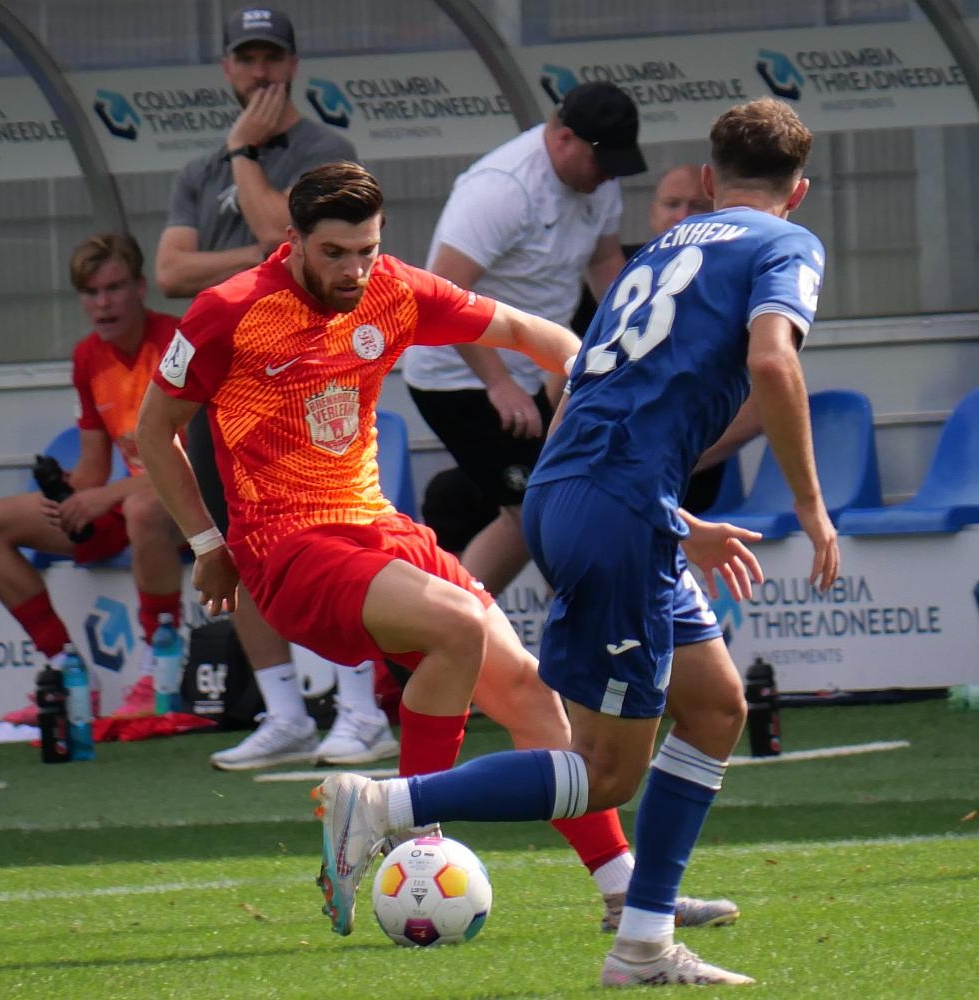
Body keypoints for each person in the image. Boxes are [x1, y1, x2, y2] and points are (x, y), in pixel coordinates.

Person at [138, 160, 736, 939]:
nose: (355, 270)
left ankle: (623, 892)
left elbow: (533, 335)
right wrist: (208, 541)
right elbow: (155, 430)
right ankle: (409, 842)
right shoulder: (229, 311)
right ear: (291, 242)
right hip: (287, 546)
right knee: (458, 625)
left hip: (379, 527)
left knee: (527, 691)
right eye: (334, 254)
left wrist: (592, 391)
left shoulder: (394, 289)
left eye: (366, 249)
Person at [316, 99, 839, 987]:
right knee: (602, 775)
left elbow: (588, 393)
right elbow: (771, 362)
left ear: (708, 182)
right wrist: (813, 510)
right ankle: (389, 803)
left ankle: (642, 944)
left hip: (596, 495)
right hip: (620, 507)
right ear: (800, 189)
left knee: (714, 708)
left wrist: (674, 519)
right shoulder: (784, 243)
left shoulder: (663, 249)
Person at [156, 6, 393, 770]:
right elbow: (169, 272)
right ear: (228, 69)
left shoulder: (325, 149)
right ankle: (285, 710)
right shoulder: (202, 166)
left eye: (271, 59)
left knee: (329, 536)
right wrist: (237, 173)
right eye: (245, 60)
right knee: (240, 542)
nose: (258, 73)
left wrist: (247, 161)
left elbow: (276, 240)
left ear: (291, 66)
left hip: (305, 369)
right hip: (226, 376)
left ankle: (361, 711)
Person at [402, 80, 645, 599]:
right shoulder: (501, 190)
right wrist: (499, 384)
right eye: (602, 163)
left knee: (542, 508)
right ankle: (459, 631)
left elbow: (604, 263)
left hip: (531, 368)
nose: (608, 177)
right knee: (539, 509)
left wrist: (635, 338)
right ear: (563, 140)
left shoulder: (598, 181)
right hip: (459, 376)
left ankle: (460, 629)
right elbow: (441, 295)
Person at [0, 233, 183, 715]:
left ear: (141, 288)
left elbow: (192, 465)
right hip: (130, 501)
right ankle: (67, 672)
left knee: (143, 507)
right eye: (91, 292)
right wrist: (69, 492)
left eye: (114, 288)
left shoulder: (176, 342)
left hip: (194, 504)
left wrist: (106, 497)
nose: (102, 304)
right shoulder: (88, 356)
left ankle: (162, 666)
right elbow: (94, 468)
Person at [572, 164, 760, 515]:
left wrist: (669, 460)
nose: (682, 216)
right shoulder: (622, 278)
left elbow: (761, 406)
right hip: (601, 465)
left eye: (697, 206)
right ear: (652, 213)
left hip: (683, 479)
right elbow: (564, 381)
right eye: (672, 204)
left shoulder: (737, 279)